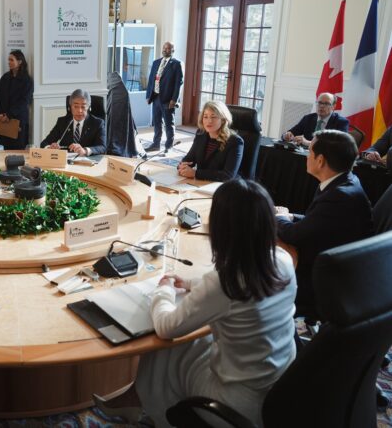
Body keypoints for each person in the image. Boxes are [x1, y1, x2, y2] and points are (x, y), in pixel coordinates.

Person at [94, 179, 296, 427]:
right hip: (278, 388)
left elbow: (166, 327)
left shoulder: (226, 283)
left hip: (234, 405)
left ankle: (152, 409)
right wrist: (190, 283)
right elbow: (230, 291)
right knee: (189, 341)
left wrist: (164, 290)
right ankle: (137, 398)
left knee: (166, 344)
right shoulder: (282, 260)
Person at [276, 129, 372, 320]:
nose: (307, 156)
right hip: (338, 266)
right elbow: (317, 221)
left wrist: (279, 217)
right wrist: (291, 216)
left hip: (324, 281)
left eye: (310, 151)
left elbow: (294, 235)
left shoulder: (338, 196)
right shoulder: (345, 181)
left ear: (320, 160)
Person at [178, 100, 244, 181]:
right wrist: (182, 166)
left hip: (224, 185)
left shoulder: (235, 141)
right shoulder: (201, 134)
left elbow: (228, 175)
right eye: (205, 117)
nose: (209, 121)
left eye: (213, 117)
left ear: (223, 120)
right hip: (202, 182)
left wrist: (195, 173)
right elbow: (189, 158)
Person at [40, 88, 106, 155]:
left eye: (83, 107)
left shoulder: (97, 123)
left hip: (87, 160)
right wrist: (50, 147)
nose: (79, 111)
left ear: (88, 107)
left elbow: (102, 147)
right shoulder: (62, 122)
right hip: (66, 160)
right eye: (76, 106)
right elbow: (44, 143)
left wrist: (85, 150)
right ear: (70, 106)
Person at [144, 41, 183, 152]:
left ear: (173, 50)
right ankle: (156, 144)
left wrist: (174, 99)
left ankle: (168, 146)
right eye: (164, 48)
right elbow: (151, 80)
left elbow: (178, 83)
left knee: (169, 124)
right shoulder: (156, 62)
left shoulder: (176, 64)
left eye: (168, 48)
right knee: (157, 123)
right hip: (155, 97)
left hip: (168, 100)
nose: (165, 50)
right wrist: (148, 95)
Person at [0, 50, 33, 150]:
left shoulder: (26, 80)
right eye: (8, 60)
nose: (9, 62)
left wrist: (9, 115)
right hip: (3, 118)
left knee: (18, 149)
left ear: (20, 62)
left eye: (12, 60)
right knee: (6, 149)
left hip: (18, 119)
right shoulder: (5, 77)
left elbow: (24, 101)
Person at [283, 92, 349, 145]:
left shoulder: (341, 122)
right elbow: (291, 132)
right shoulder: (308, 118)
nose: (321, 106)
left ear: (333, 106)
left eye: (326, 103)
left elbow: (340, 145)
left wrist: (308, 143)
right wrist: (287, 136)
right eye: (319, 102)